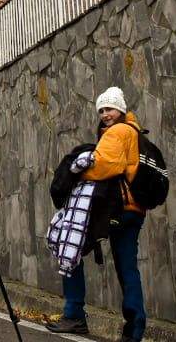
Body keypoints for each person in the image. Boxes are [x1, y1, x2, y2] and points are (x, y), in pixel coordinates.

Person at [48, 87, 147, 340]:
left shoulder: (119, 131)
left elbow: (105, 167)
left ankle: (74, 315)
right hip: (132, 209)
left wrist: (74, 172)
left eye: (110, 109)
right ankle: (134, 330)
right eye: (101, 110)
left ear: (121, 109)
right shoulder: (132, 130)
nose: (105, 114)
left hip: (117, 209)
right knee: (127, 268)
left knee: (71, 247)